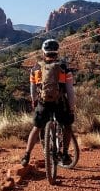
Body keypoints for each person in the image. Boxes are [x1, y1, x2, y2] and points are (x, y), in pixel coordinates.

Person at [20, 38, 77, 167]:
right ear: (57, 52)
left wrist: (34, 101)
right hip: (60, 103)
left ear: (43, 52)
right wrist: (71, 108)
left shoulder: (35, 68)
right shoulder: (64, 69)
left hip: (43, 103)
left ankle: (26, 155)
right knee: (67, 126)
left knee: (36, 128)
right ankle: (65, 154)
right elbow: (70, 92)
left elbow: (33, 90)